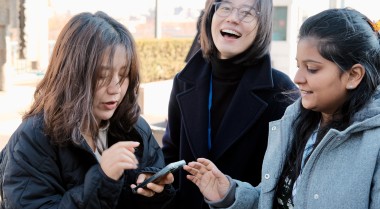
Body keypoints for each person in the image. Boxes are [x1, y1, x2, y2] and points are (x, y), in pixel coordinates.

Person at [184, 7, 380, 209]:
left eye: (312, 69)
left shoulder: (374, 145)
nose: (298, 79)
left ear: (354, 75)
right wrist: (230, 194)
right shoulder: (294, 121)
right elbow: (276, 201)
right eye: (298, 66)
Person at [0, 11, 175, 209]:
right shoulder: (32, 139)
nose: (115, 89)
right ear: (72, 74)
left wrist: (152, 188)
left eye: (124, 75)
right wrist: (103, 179)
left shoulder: (135, 127)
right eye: (102, 75)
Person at [162, 0, 299, 208]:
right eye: (225, 7)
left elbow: (285, 181)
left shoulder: (281, 91)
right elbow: (170, 153)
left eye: (247, 13)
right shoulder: (184, 80)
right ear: (210, 15)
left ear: (262, 25)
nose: (233, 18)